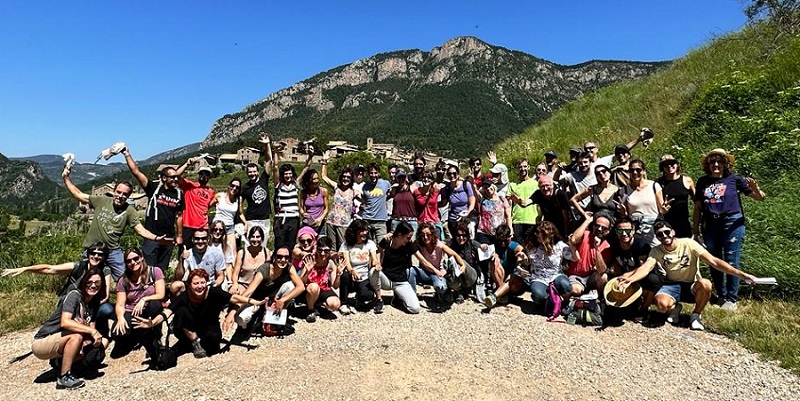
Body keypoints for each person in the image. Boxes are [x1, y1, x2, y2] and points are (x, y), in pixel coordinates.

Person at [617, 221, 757, 331]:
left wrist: (741, 275)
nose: (664, 236)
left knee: (706, 284)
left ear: (673, 232)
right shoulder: (656, 251)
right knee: (661, 305)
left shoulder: (689, 244)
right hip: (671, 285)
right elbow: (646, 268)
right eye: (660, 234)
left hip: (692, 285)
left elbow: (714, 261)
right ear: (657, 237)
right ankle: (675, 308)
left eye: (667, 232)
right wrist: (630, 279)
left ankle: (695, 315)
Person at [62, 166, 170, 281]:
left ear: (128, 196)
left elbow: (140, 229)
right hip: (92, 247)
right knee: (82, 276)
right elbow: (79, 195)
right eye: (118, 192)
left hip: (112, 250)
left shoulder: (129, 211)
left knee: (124, 278)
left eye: (125, 194)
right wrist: (66, 178)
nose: (120, 196)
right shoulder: (102, 200)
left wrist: (156, 238)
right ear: (114, 191)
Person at [693, 148, 765, 310]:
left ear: (726, 164)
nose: (716, 164)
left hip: (732, 223)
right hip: (710, 225)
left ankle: (732, 298)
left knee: (732, 261)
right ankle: (721, 295)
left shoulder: (734, 179)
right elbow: (698, 207)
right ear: (708, 165)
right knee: (714, 261)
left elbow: (760, 198)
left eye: (720, 161)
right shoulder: (702, 181)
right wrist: (695, 230)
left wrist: (756, 188)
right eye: (712, 162)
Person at [134, 269, 266, 358]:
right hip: (187, 327)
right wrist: (152, 323)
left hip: (207, 325)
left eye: (202, 282)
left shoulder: (213, 292)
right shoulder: (184, 297)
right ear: (190, 285)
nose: (200, 286)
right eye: (196, 283)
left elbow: (233, 298)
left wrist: (251, 301)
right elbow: (167, 313)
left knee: (214, 346)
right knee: (181, 310)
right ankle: (194, 341)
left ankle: (193, 343)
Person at [31, 268, 107, 389]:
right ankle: (64, 377)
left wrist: (91, 337)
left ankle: (61, 363)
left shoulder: (93, 302)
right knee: (76, 337)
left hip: (63, 339)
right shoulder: (74, 296)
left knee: (101, 343)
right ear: (83, 282)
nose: (93, 286)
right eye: (89, 282)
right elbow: (65, 322)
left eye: (97, 283)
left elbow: (91, 328)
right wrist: (91, 331)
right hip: (43, 342)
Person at [484, 221, 573, 311]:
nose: (536, 234)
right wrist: (520, 264)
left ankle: (566, 303)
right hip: (538, 278)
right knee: (538, 294)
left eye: (539, 232)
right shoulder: (532, 246)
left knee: (564, 284)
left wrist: (572, 245)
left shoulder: (559, 245)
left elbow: (574, 258)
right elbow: (524, 258)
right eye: (536, 232)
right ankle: (497, 296)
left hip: (554, 275)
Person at [122, 146, 184, 268]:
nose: (176, 179)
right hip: (152, 236)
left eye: (177, 177)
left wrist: (179, 236)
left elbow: (179, 216)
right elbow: (136, 172)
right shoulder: (154, 189)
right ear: (164, 178)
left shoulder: (179, 194)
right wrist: (126, 154)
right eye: (173, 177)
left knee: (161, 270)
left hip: (168, 238)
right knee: (148, 268)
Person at [110, 248, 165, 360]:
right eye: (129, 261)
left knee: (156, 305)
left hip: (148, 308)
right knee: (117, 334)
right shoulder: (123, 280)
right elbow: (120, 304)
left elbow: (161, 294)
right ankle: (135, 337)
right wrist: (120, 317)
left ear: (141, 258)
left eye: (135, 259)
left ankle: (156, 336)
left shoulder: (154, 271)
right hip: (131, 311)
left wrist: (144, 299)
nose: (133, 262)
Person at [235, 246, 306, 329]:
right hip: (257, 300)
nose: (283, 260)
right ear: (274, 257)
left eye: (286, 257)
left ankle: (276, 317)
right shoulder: (264, 269)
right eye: (279, 257)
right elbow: (249, 291)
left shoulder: (289, 267)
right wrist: (234, 310)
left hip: (274, 300)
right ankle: (254, 321)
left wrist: (282, 300)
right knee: (241, 319)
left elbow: (301, 287)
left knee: (290, 286)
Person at [607, 217, 662, 321]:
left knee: (653, 280)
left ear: (633, 231)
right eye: (620, 231)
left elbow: (643, 268)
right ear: (616, 231)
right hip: (625, 277)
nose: (624, 234)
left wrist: (628, 276)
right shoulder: (614, 244)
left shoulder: (641, 244)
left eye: (627, 230)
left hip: (641, 276)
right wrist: (618, 278)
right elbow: (616, 264)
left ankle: (644, 309)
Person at [409, 223, 469, 308]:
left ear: (432, 234)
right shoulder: (419, 243)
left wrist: (462, 265)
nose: (425, 237)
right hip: (425, 273)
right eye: (422, 235)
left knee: (441, 287)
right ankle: (412, 296)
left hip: (438, 274)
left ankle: (444, 292)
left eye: (428, 234)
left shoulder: (438, 245)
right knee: (410, 271)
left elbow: (454, 254)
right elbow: (409, 245)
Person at [372, 221, 422, 314]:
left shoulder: (409, 245)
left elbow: (423, 261)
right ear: (399, 235)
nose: (410, 239)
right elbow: (378, 252)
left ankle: (398, 297)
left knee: (415, 309)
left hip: (400, 281)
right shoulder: (386, 241)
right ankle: (379, 299)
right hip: (386, 279)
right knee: (373, 271)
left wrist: (436, 271)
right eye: (408, 237)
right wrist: (378, 263)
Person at [272, 144, 312, 249]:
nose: (288, 176)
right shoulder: (279, 185)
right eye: (286, 174)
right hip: (281, 219)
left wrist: (310, 156)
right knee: (279, 245)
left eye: (290, 174)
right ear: (282, 175)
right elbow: (275, 167)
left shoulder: (295, 184)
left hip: (294, 219)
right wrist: (276, 153)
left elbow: (306, 168)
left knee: (291, 245)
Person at [565, 212, 613, 299]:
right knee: (576, 290)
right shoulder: (585, 235)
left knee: (603, 277)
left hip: (591, 277)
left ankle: (600, 301)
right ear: (593, 226)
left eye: (604, 228)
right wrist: (587, 221)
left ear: (608, 231)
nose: (599, 229)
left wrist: (597, 248)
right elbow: (573, 239)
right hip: (576, 275)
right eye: (597, 226)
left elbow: (601, 270)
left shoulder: (606, 246)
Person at [339, 220, 382, 314]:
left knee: (367, 296)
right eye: (362, 231)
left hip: (364, 276)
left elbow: (374, 259)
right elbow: (347, 263)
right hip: (351, 276)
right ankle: (343, 302)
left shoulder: (370, 243)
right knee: (344, 275)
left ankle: (360, 298)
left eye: (366, 230)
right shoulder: (346, 245)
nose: (365, 233)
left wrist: (377, 265)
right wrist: (352, 271)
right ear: (354, 232)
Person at [620, 159, 666, 246]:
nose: (635, 172)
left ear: (644, 171)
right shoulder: (624, 190)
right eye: (632, 170)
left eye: (638, 170)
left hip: (653, 227)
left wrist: (664, 209)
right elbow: (625, 215)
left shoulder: (654, 186)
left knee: (656, 251)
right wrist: (622, 212)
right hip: (636, 228)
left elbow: (661, 210)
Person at [241, 133, 274, 246]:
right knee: (249, 246)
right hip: (250, 220)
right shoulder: (245, 188)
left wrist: (267, 144)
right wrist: (242, 220)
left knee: (262, 246)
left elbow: (269, 161)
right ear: (247, 173)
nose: (252, 174)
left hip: (264, 220)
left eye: (254, 171)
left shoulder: (264, 179)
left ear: (258, 172)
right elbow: (239, 205)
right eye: (250, 172)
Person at [300, 237, 343, 322]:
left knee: (335, 304)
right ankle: (310, 310)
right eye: (320, 251)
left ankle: (317, 305)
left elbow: (335, 286)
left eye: (326, 251)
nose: (322, 254)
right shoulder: (310, 260)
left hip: (323, 288)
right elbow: (300, 282)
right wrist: (307, 272)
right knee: (314, 287)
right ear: (316, 249)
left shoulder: (330, 263)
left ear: (330, 251)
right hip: (309, 289)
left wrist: (338, 274)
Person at [175, 159, 215, 249]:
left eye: (207, 174)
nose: (204, 176)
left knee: (202, 253)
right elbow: (176, 176)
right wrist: (187, 164)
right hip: (188, 226)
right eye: (202, 173)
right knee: (185, 253)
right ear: (199, 175)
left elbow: (209, 206)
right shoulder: (190, 186)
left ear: (209, 177)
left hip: (203, 227)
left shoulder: (210, 191)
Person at [173, 229, 226, 295]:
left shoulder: (217, 253)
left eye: (203, 238)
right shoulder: (188, 253)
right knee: (175, 285)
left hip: (209, 286)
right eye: (197, 239)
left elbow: (220, 276)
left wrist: (214, 285)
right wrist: (181, 259)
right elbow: (178, 277)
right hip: (193, 286)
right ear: (193, 240)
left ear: (208, 239)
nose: (200, 241)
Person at [321, 159, 357, 251]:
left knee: (343, 247)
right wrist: (324, 162)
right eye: (344, 176)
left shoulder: (354, 192)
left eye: (348, 177)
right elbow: (324, 177)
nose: (346, 179)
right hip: (331, 222)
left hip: (344, 224)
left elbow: (366, 201)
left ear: (351, 179)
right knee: (331, 247)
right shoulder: (336, 187)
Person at [656, 155, 695, 238]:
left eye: (672, 163)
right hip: (666, 224)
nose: (669, 166)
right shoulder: (658, 183)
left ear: (677, 165)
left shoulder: (687, 180)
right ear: (662, 168)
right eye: (666, 164)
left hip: (684, 223)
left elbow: (696, 200)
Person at [445, 221, 482, 302]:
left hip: (470, 276)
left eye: (464, 235)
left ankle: (467, 289)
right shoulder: (450, 243)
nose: (461, 238)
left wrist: (483, 247)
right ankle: (458, 291)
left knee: (462, 262)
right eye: (458, 235)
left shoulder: (472, 243)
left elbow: (484, 248)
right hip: (455, 276)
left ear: (468, 235)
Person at [230, 226, 271, 296]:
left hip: (259, 287)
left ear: (262, 238)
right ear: (249, 238)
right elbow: (235, 274)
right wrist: (235, 284)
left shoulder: (266, 252)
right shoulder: (242, 253)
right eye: (253, 237)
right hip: (243, 285)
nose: (255, 239)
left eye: (258, 237)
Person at [507, 158, 539, 241]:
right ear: (517, 168)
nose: (522, 169)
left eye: (525, 166)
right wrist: (510, 226)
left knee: (531, 246)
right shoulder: (512, 185)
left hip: (532, 220)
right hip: (517, 221)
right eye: (520, 167)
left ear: (529, 167)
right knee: (519, 246)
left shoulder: (536, 184)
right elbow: (509, 207)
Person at [213, 177, 246, 258]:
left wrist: (245, 223)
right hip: (217, 227)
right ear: (229, 186)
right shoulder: (219, 196)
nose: (234, 188)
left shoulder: (238, 199)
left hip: (229, 228)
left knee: (233, 252)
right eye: (232, 185)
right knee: (214, 250)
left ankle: (233, 266)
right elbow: (207, 206)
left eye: (237, 187)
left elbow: (240, 213)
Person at [442, 164, 476, 237]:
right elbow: (443, 203)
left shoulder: (466, 185)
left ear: (458, 174)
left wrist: (468, 213)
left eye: (454, 173)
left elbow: (472, 201)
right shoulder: (446, 189)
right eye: (449, 174)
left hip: (465, 219)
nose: (452, 175)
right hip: (453, 219)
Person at [476, 177, 512, 245]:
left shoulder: (502, 199)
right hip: (484, 233)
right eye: (485, 188)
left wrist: (510, 231)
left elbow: (508, 217)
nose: (488, 189)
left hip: (500, 234)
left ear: (493, 186)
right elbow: (475, 190)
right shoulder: (482, 199)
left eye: (489, 186)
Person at [361, 163, 392, 242]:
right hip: (367, 219)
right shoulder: (365, 186)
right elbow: (364, 200)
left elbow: (391, 194)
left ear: (379, 173)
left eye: (375, 173)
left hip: (380, 220)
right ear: (368, 174)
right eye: (371, 173)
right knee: (367, 244)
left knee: (382, 243)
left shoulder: (386, 183)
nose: (373, 175)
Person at [388, 168, 418, 235]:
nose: (401, 179)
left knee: (412, 240)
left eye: (403, 177)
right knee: (396, 240)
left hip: (411, 220)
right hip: (397, 220)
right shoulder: (394, 190)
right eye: (399, 177)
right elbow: (384, 198)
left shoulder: (412, 188)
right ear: (396, 178)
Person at [299, 168, 329, 234]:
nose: (316, 181)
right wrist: (303, 214)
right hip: (307, 223)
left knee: (321, 240)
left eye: (317, 178)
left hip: (320, 224)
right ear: (308, 180)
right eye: (314, 179)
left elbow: (326, 208)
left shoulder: (323, 191)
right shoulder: (304, 193)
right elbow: (301, 208)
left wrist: (320, 218)